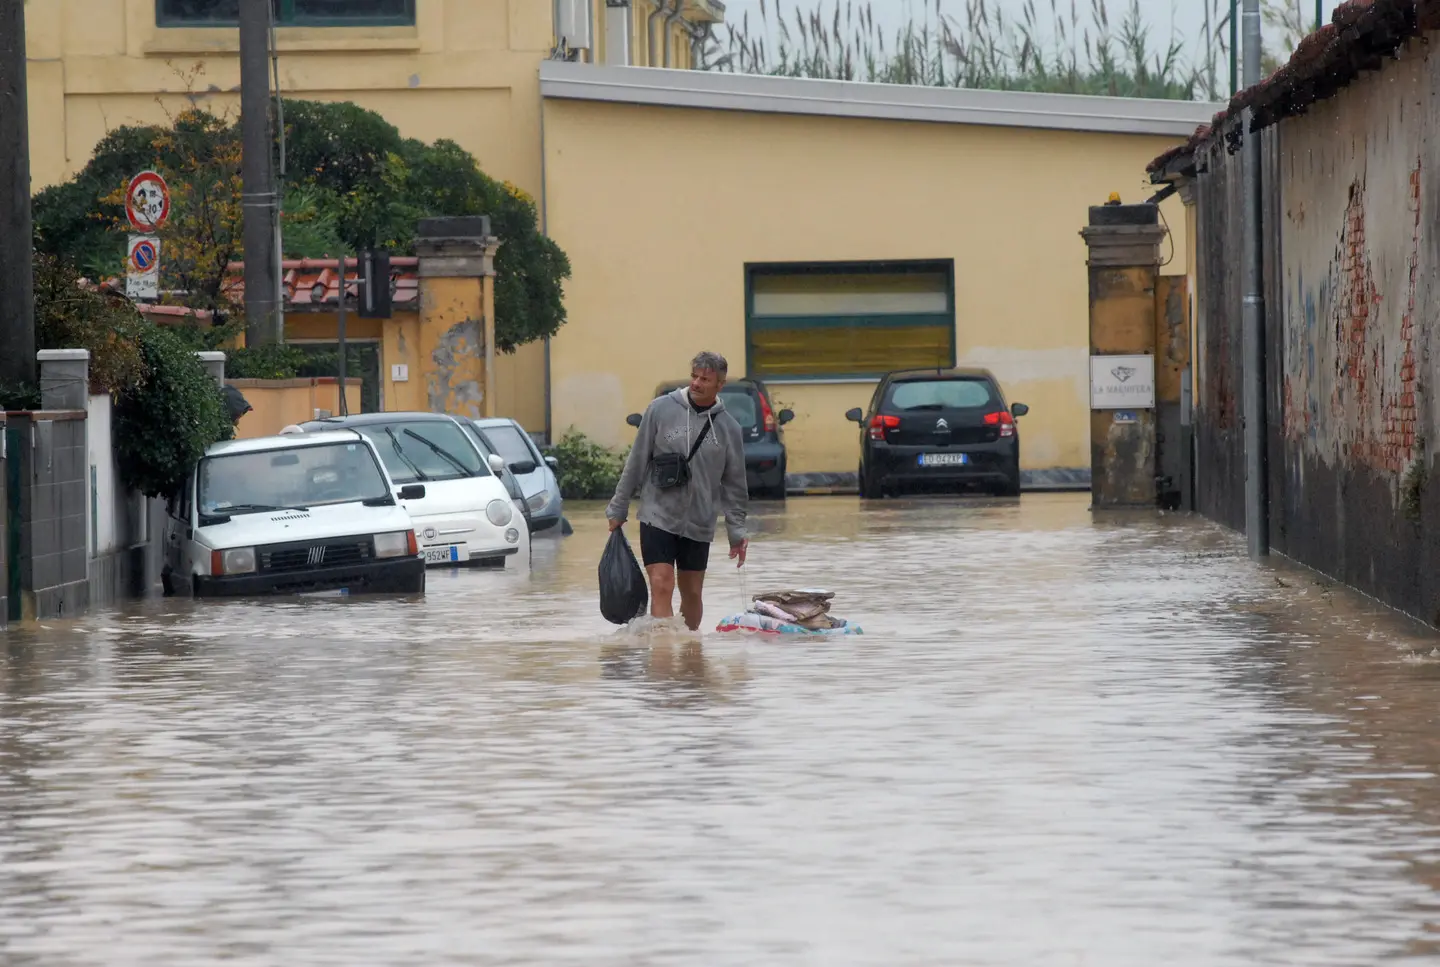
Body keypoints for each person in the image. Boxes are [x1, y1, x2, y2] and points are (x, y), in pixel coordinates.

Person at [607, 351, 750, 631]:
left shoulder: (729, 428)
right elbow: (636, 461)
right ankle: (663, 661)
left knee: (692, 592)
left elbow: (735, 485)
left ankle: (690, 660)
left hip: (699, 521)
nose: (697, 383)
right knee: (662, 584)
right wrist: (618, 507)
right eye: (694, 376)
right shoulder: (660, 410)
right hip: (657, 515)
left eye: (705, 379)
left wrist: (737, 531)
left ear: (719, 385)